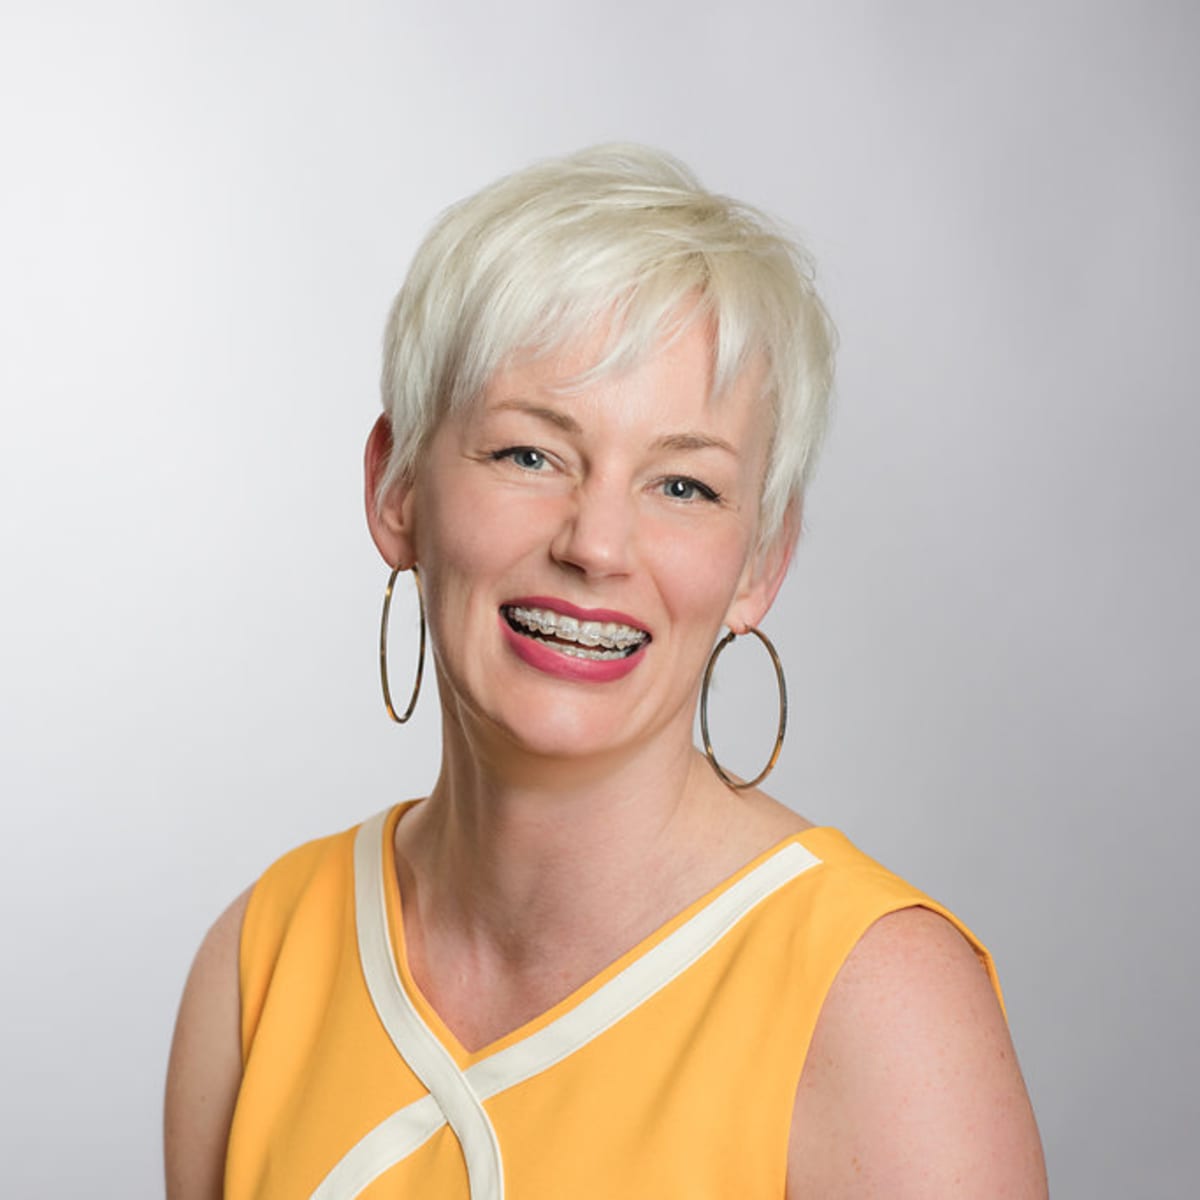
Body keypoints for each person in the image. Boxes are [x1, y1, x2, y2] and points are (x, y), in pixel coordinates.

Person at [164, 145, 1048, 1199]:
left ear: (761, 560)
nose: (596, 544)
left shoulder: (880, 1004)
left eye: (683, 485)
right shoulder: (258, 965)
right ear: (398, 490)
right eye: (529, 455)